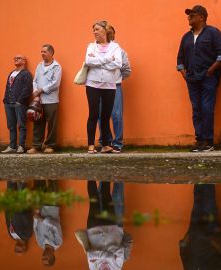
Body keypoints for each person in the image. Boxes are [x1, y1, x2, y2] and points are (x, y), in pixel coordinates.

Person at [177, 5, 221, 152]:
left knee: (207, 108)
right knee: (196, 109)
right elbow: (180, 59)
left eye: (192, 15)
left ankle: (208, 141)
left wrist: (211, 71)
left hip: (208, 78)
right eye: (189, 15)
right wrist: (184, 74)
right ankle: (199, 140)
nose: (189, 17)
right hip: (192, 79)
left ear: (201, 17)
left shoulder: (213, 33)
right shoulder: (186, 37)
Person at [75, 181, 133, 270]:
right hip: (111, 227)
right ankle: (105, 170)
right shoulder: (117, 267)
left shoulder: (93, 268)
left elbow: (90, 255)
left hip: (94, 229)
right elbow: (120, 251)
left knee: (93, 199)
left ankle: (90, 172)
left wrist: (108, 255)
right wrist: (101, 255)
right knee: (106, 195)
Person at [84, 21, 122, 154]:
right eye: (93, 30)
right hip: (92, 84)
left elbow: (118, 63)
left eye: (97, 29)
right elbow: (89, 61)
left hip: (109, 85)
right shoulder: (91, 46)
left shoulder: (115, 47)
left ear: (105, 31)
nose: (94, 32)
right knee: (93, 114)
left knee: (106, 116)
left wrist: (99, 62)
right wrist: (107, 59)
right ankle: (90, 145)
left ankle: (106, 145)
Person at [179, 184, 221, 270]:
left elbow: (184, 255)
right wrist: (214, 242)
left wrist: (187, 238)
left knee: (197, 198)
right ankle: (209, 174)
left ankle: (199, 173)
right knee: (210, 201)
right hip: (212, 230)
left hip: (195, 229)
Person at [98, 28, 132, 153]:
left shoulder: (120, 51)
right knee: (100, 116)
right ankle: (105, 142)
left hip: (114, 86)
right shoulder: (95, 49)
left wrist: (116, 79)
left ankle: (117, 143)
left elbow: (127, 70)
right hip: (99, 87)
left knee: (116, 115)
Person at [27, 44, 62, 154]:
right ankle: (36, 146)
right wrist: (35, 92)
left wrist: (41, 90)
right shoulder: (39, 66)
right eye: (41, 52)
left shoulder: (57, 67)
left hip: (51, 100)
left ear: (51, 53)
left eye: (44, 52)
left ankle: (50, 145)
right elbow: (34, 81)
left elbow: (55, 83)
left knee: (52, 123)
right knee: (37, 122)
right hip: (39, 100)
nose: (42, 54)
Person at [2, 55, 33, 154]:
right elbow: (8, 87)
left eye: (18, 58)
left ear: (24, 61)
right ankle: (12, 146)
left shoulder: (26, 74)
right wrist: (5, 100)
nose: (15, 59)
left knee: (21, 125)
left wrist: (20, 101)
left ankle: (21, 146)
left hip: (19, 104)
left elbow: (27, 89)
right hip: (8, 103)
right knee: (11, 126)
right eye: (14, 57)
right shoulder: (11, 73)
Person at [33, 180, 63, 267]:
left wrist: (36, 217)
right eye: (45, 259)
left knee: (39, 181)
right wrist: (41, 219)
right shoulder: (58, 242)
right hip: (52, 206)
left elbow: (35, 229)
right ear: (51, 257)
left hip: (40, 208)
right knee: (52, 180)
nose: (43, 257)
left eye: (42, 259)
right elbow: (56, 226)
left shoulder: (40, 243)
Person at [5, 181, 33, 254]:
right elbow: (27, 219)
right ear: (24, 248)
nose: (16, 248)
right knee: (22, 185)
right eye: (19, 250)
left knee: (11, 183)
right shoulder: (27, 235)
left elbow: (8, 222)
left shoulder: (12, 236)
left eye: (15, 250)